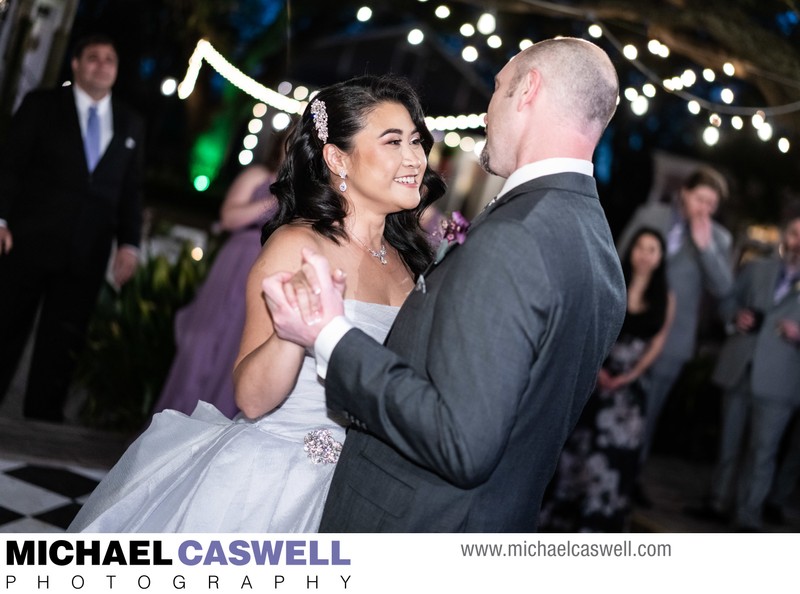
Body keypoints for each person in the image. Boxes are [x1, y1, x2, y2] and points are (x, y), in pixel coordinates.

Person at [264, 37, 626, 532]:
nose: (486, 111)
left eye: (497, 89)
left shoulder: (518, 236)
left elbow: (461, 441)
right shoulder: (596, 245)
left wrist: (331, 334)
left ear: (528, 91)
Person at [67, 74, 446, 532]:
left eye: (416, 141)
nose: (415, 159)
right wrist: (295, 333)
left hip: (367, 489)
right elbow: (250, 397)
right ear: (337, 158)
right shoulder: (298, 245)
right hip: (276, 486)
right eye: (393, 142)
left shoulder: (410, 263)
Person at [0, 34, 144, 423]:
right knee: (5, 327)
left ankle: (41, 424)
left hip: (86, 252)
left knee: (63, 342)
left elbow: (131, 192)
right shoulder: (42, 105)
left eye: (109, 59)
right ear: (76, 65)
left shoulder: (130, 123)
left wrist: (129, 244)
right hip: (27, 242)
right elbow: (10, 166)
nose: (101, 65)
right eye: (93, 58)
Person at [539, 227, 675, 532]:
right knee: (578, 450)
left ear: (660, 257)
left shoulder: (666, 296)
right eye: (640, 246)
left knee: (615, 456)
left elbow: (658, 344)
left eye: (652, 249)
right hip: (597, 373)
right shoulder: (614, 279)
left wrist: (630, 375)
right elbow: (594, 324)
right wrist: (598, 367)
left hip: (631, 388)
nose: (644, 254)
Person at [616, 166, 733, 502]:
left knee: (649, 412)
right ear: (685, 193)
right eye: (701, 200)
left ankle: (630, 478)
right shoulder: (651, 214)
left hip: (674, 340)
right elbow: (621, 258)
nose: (704, 210)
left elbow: (724, 288)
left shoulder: (718, 239)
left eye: (712, 205)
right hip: (631, 327)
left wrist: (705, 247)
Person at [151, 135, 284, 418]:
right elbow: (228, 217)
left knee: (238, 350)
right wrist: (276, 199)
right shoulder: (258, 175)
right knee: (205, 343)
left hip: (272, 270)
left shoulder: (312, 191)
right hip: (237, 262)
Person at [689, 209, 800, 531]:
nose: (797, 243)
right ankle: (717, 503)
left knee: (763, 452)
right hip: (740, 366)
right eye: (794, 234)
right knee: (728, 443)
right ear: (784, 236)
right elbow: (726, 302)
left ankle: (747, 517)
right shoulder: (757, 268)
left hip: (781, 380)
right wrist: (735, 317)